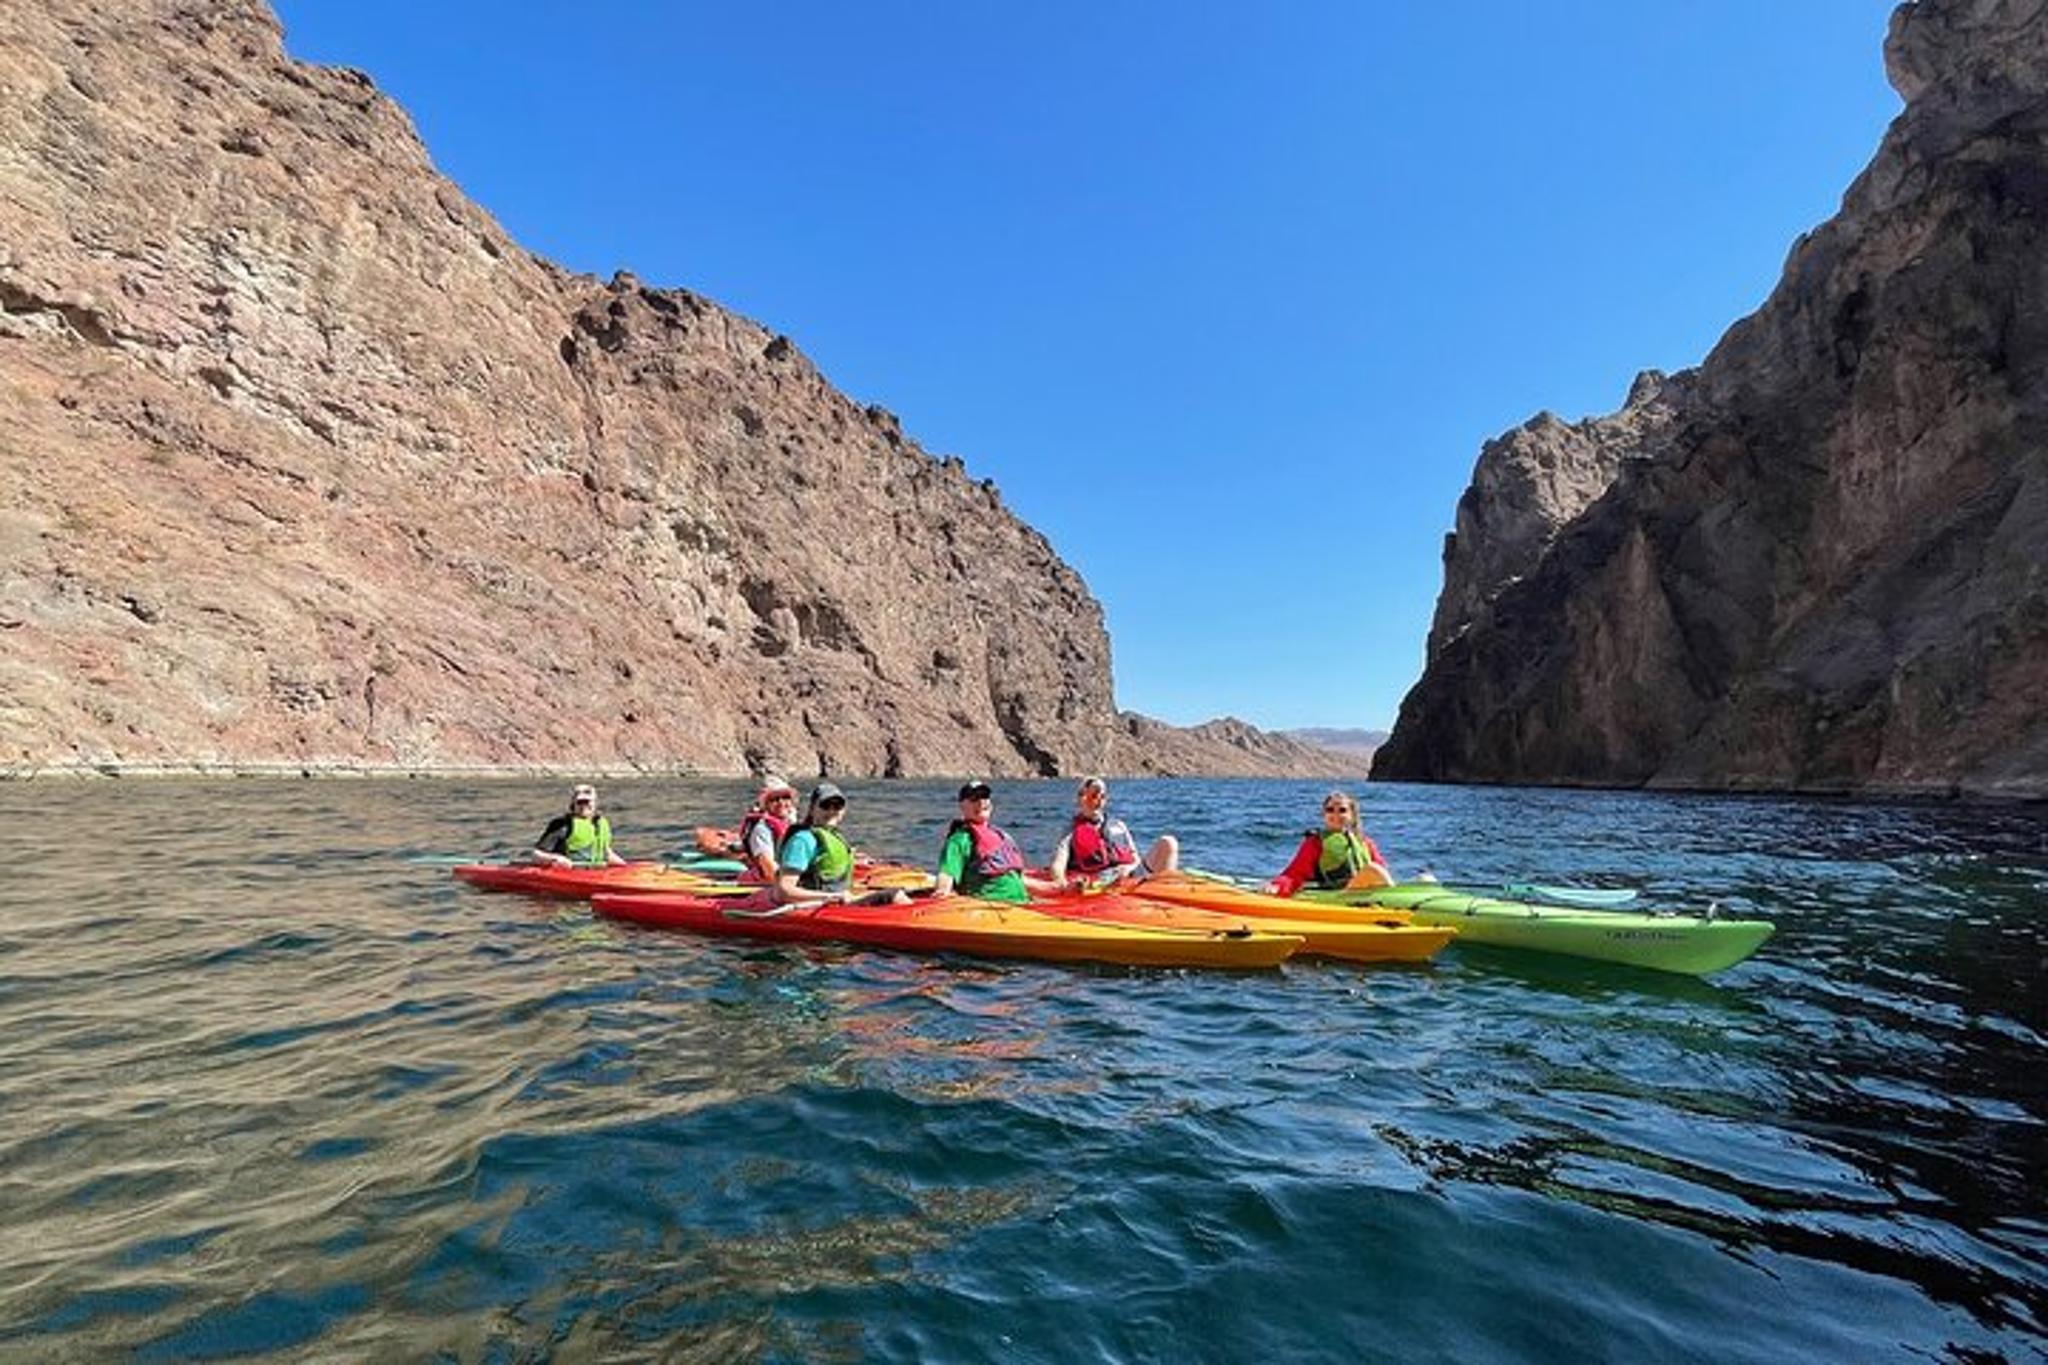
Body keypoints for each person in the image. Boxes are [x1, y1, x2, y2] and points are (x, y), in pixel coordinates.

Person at [774, 783, 908, 907]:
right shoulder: (802, 840)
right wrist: (831, 897)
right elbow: (784, 891)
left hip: (839, 900)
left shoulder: (831, 835)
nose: (832, 811)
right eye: (825, 805)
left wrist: (855, 859)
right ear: (812, 809)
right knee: (896, 896)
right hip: (820, 905)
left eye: (837, 806)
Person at [933, 780, 1057, 904]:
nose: (981, 802)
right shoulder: (959, 840)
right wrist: (942, 891)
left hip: (1022, 902)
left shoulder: (1000, 836)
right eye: (974, 799)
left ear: (991, 805)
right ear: (962, 806)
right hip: (991, 905)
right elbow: (947, 875)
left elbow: (1015, 877)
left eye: (985, 797)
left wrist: (1054, 887)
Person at [1047, 776, 1179, 885]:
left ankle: (1167, 891)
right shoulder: (1070, 830)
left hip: (1130, 877)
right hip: (1103, 882)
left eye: (1102, 797)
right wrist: (1062, 884)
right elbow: (1058, 865)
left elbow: (1135, 859)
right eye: (1093, 796)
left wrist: (1128, 870)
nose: (1098, 802)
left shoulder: (1119, 825)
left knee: (1168, 842)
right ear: (1081, 798)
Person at [1265, 790, 1391, 896]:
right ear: (1324, 814)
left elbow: (1383, 870)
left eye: (1342, 810)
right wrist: (1277, 886)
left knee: (1376, 869)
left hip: (1367, 893)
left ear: (1352, 815)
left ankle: (1390, 898)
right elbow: (1295, 873)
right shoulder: (1315, 842)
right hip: (1339, 896)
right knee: (1373, 869)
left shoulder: (1365, 842)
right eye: (1330, 810)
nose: (1336, 814)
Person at [529, 783, 628, 868]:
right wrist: (556, 859)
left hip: (595, 872)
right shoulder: (562, 825)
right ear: (573, 804)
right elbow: (536, 855)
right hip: (568, 873)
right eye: (580, 802)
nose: (584, 806)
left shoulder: (601, 823)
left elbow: (607, 854)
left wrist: (626, 867)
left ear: (595, 803)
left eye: (587, 802)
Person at [737, 776, 799, 882]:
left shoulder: (791, 823)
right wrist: (790, 884)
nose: (781, 803)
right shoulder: (762, 829)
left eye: (785, 797)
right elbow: (768, 867)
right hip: (766, 880)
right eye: (775, 799)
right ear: (766, 804)